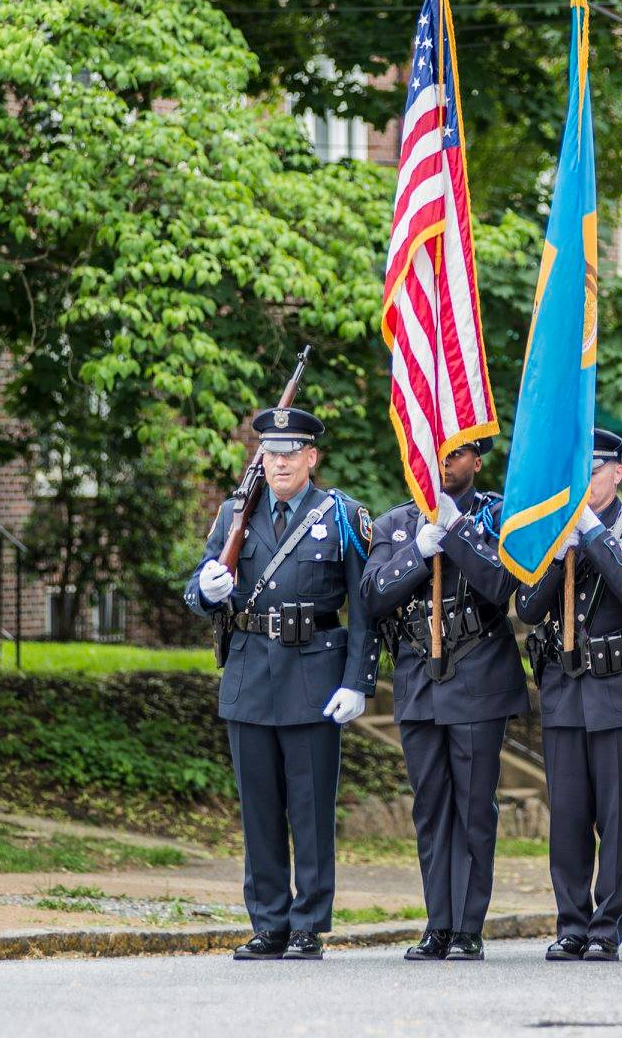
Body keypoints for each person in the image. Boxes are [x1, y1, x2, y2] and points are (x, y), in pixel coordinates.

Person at [184, 406, 378, 961]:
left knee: (311, 808)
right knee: (259, 809)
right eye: (271, 453)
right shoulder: (232, 514)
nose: (280, 463)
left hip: (314, 673)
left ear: (312, 458)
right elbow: (196, 589)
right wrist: (209, 587)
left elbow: (363, 606)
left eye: (291, 453)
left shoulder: (340, 515)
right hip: (249, 673)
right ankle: (268, 921)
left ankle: (306, 924)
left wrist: (358, 680)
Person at [361, 440, 527, 961]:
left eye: (456, 453)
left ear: (476, 461)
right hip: (418, 678)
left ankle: (468, 926)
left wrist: (455, 533)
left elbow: (503, 585)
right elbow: (370, 596)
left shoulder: (496, 516)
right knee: (431, 807)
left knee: (474, 805)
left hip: (477, 672)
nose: (443, 463)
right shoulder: (394, 525)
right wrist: (419, 551)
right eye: (434, 452)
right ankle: (438, 923)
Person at [516, 429, 622, 962]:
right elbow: (528, 608)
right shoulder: (552, 530)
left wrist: (592, 536)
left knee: (615, 813)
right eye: (579, 469)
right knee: (568, 815)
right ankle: (571, 924)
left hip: (621, 686)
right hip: (564, 687)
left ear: (617, 473)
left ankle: (607, 926)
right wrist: (559, 556)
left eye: (596, 468)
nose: (586, 480)